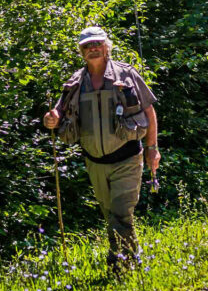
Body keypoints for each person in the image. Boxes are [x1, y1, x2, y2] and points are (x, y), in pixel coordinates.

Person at [43, 25, 161, 273]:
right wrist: (51, 118)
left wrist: (152, 148)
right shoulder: (76, 82)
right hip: (94, 161)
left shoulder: (126, 74)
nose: (93, 49)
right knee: (110, 215)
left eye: (97, 44)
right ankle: (127, 260)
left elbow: (149, 111)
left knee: (121, 212)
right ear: (81, 52)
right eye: (87, 46)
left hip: (127, 158)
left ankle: (121, 265)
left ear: (107, 47)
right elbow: (58, 112)